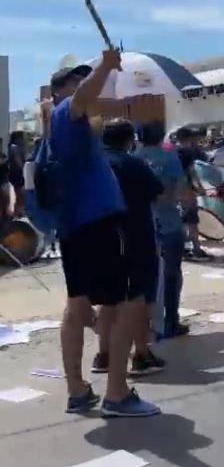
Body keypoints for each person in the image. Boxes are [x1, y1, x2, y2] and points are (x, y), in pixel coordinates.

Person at [50, 54, 159, 417]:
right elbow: (84, 96)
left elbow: (99, 102)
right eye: (82, 82)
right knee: (128, 300)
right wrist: (107, 64)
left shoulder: (65, 133)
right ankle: (117, 393)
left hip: (73, 226)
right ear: (66, 88)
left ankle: (77, 389)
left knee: (77, 305)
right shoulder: (68, 110)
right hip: (96, 224)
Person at [93, 119, 166, 377]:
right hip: (136, 239)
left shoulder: (92, 165)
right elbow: (158, 193)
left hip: (98, 240)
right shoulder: (134, 164)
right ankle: (141, 355)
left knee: (107, 299)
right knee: (138, 300)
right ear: (129, 140)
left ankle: (103, 355)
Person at [137, 121, 189, 339]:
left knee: (143, 278)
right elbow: (182, 190)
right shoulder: (170, 157)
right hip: (169, 223)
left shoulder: (133, 159)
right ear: (161, 138)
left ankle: (146, 326)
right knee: (171, 275)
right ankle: (170, 322)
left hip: (141, 226)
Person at [175, 126, 211, 260]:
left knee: (180, 220)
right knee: (192, 220)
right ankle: (196, 249)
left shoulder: (170, 150)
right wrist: (200, 187)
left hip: (173, 190)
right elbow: (191, 171)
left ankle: (183, 249)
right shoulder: (187, 151)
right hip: (186, 189)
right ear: (189, 138)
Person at [8, 130, 26, 215]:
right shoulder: (14, 147)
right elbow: (17, 160)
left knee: (19, 193)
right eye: (22, 137)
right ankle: (18, 213)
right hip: (16, 173)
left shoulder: (13, 147)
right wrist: (22, 166)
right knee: (20, 194)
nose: (23, 139)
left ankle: (18, 212)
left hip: (15, 173)